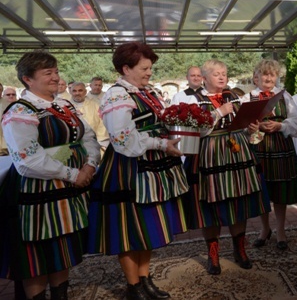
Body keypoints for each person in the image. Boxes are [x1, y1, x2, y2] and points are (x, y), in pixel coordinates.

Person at [86, 42, 187, 300]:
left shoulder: (145, 92)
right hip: (128, 169)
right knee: (128, 230)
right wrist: (162, 144)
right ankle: (133, 287)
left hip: (151, 165)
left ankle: (145, 280)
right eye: (144, 68)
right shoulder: (117, 95)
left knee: (147, 228)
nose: (149, 73)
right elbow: (123, 141)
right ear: (125, 68)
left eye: (150, 68)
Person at [0, 51, 101, 300]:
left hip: (67, 191)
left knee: (61, 251)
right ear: (28, 79)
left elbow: (87, 136)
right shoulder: (20, 111)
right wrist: (72, 174)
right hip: (38, 194)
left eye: (56, 71)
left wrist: (89, 165)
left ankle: (60, 295)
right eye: (48, 73)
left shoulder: (63, 105)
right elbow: (27, 160)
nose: (56, 77)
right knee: (36, 258)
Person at [182, 60, 270, 275]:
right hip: (209, 157)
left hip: (238, 154)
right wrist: (218, 113)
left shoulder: (235, 97)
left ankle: (240, 250)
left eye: (224, 73)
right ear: (204, 78)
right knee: (211, 207)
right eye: (216, 74)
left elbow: (249, 131)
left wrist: (253, 129)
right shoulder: (193, 100)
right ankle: (213, 254)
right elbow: (193, 133)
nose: (222, 77)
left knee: (238, 204)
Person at [243, 59, 297, 250]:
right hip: (258, 147)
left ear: (277, 77)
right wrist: (252, 127)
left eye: (272, 74)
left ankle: (280, 231)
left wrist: (280, 125)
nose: (269, 78)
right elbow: (240, 127)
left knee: (280, 191)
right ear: (257, 77)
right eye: (265, 74)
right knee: (262, 190)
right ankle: (264, 229)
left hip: (280, 145)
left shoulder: (284, 96)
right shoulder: (247, 98)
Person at [69, 82, 110, 151]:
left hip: (94, 141)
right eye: (74, 91)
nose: (77, 93)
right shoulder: (66, 106)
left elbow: (102, 122)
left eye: (80, 90)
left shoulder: (95, 105)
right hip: (73, 143)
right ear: (70, 92)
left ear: (85, 92)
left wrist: (101, 140)